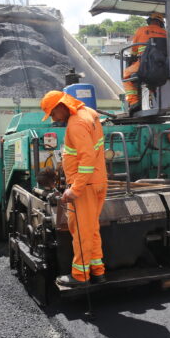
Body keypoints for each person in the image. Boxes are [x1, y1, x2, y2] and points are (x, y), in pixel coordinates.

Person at [40, 90, 108, 287]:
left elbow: (86, 159)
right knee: (92, 229)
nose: (53, 118)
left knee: (81, 231)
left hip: (85, 185)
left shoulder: (76, 124)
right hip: (97, 180)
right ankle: (97, 270)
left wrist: (75, 189)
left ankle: (80, 276)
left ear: (61, 106)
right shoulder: (90, 113)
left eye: (52, 114)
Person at [123, 12, 167, 112]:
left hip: (145, 64)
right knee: (152, 79)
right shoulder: (166, 33)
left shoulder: (142, 30)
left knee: (126, 74)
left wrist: (134, 56)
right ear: (161, 23)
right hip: (162, 66)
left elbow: (133, 51)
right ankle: (152, 96)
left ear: (149, 21)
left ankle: (134, 102)